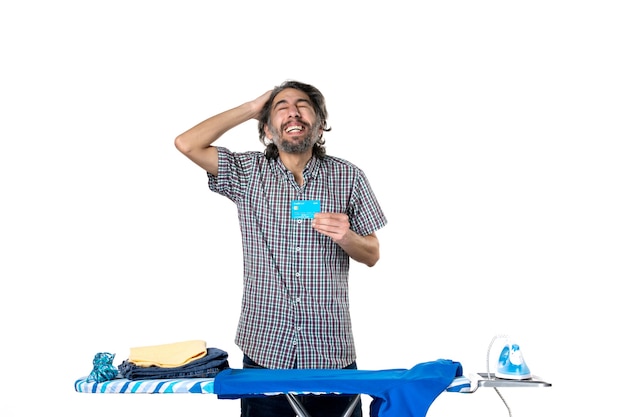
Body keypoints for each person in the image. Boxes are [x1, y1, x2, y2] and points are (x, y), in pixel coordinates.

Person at [174, 80, 387, 417]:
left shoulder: (349, 177)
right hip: (265, 354)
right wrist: (251, 107)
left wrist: (348, 237)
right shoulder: (247, 173)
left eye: (303, 105)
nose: (293, 111)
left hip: (331, 355)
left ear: (319, 126)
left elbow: (372, 254)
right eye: (281, 106)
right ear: (267, 130)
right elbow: (186, 143)